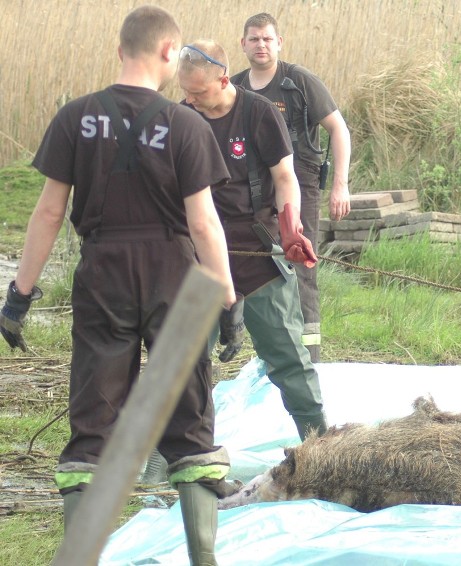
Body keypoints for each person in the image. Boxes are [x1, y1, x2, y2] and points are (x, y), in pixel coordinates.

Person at [0, 6, 241, 565]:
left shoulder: (75, 117)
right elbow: (205, 223)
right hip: (174, 278)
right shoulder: (186, 125)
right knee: (188, 419)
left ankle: (80, 557)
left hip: (102, 274)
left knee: (95, 421)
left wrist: (19, 295)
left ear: (119, 51)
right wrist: (228, 298)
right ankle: (204, 558)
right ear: (168, 53)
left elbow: (49, 212)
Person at [177, 39, 329, 441]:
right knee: (181, 366)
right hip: (199, 263)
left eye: (198, 92)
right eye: (184, 92)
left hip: (257, 255)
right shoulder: (180, 118)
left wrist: (291, 227)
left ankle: (322, 448)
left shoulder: (259, 113)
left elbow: (285, 178)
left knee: (291, 362)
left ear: (223, 78)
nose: (189, 100)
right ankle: (169, 465)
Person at [231, 12, 352, 363]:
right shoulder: (234, 87)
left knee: (299, 265)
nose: (261, 45)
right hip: (253, 192)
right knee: (258, 267)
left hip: (300, 187)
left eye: (268, 38)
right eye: (254, 38)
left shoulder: (298, 82)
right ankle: (274, 352)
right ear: (243, 44)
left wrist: (340, 185)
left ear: (279, 42)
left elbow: (339, 130)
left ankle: (307, 356)